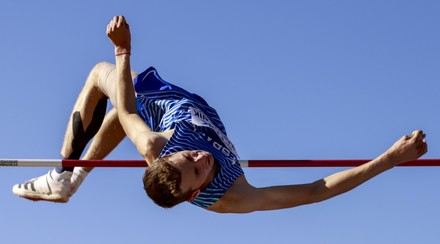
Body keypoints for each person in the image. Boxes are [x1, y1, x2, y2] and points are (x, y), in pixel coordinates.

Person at [12, 16, 428, 213]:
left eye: (187, 158)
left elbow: (126, 107)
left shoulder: (156, 146)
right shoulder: (232, 194)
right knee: (107, 98)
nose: (199, 158)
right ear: (196, 193)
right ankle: (68, 177)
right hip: (179, 105)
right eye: (195, 167)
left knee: (108, 93)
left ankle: (64, 175)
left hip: (163, 103)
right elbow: (317, 190)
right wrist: (389, 160)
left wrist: (122, 51)